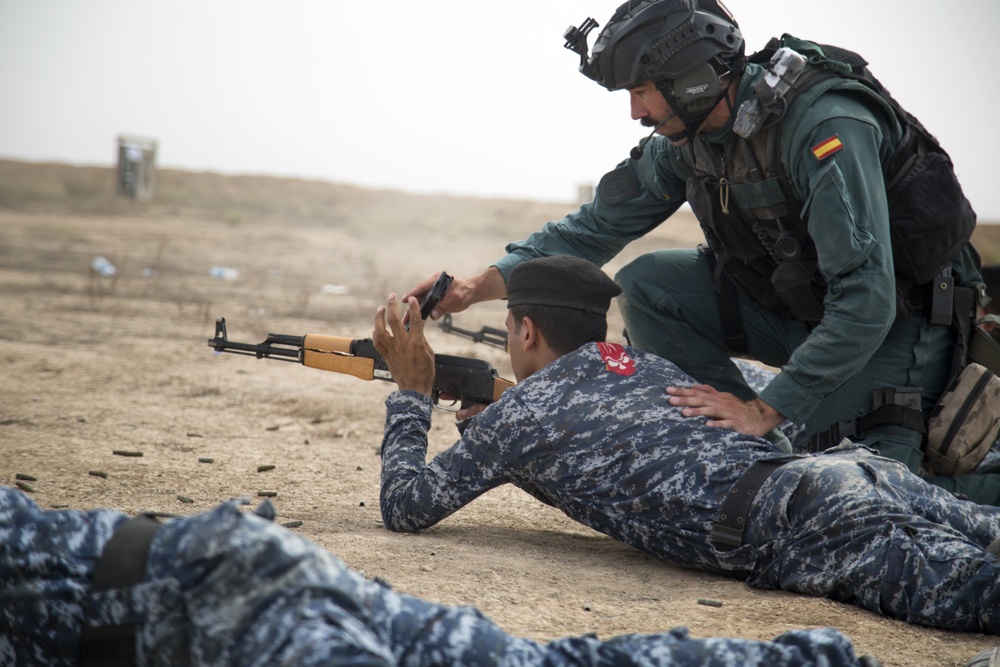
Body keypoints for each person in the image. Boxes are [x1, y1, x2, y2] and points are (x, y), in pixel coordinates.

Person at [403, 0, 997, 505]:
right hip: (798, 310)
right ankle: (732, 439)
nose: (635, 112)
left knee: (873, 495)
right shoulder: (692, 140)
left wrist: (767, 408)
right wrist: (478, 286)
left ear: (692, 78)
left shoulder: (825, 127)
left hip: (894, 323)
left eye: (641, 91)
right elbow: (594, 227)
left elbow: (866, 300)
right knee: (649, 283)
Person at [375, 254, 1000, 636]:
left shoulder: (524, 419)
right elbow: (592, 452)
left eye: (510, 331)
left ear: (527, 329)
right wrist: (489, 422)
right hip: (855, 475)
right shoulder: (649, 365)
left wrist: (411, 392)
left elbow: (406, 505)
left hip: (806, 523)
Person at [0, 487, 881, 667]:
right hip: (218, 572)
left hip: (200, 606)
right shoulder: (625, 371)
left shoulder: (531, 406)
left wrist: (411, 397)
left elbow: (409, 503)